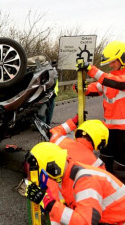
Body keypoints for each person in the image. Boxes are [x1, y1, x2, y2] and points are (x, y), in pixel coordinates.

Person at [25, 142, 125, 225]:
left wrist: (51, 205)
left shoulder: (85, 180)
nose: (48, 179)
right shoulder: (68, 175)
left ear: (52, 168)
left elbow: (85, 222)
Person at [76, 40, 125, 183]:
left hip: (123, 133)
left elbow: (113, 81)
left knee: (121, 168)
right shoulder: (109, 79)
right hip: (109, 131)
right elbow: (95, 87)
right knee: (106, 162)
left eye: (113, 62)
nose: (110, 65)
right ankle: (106, 190)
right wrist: (80, 86)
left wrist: (91, 69)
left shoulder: (116, 79)